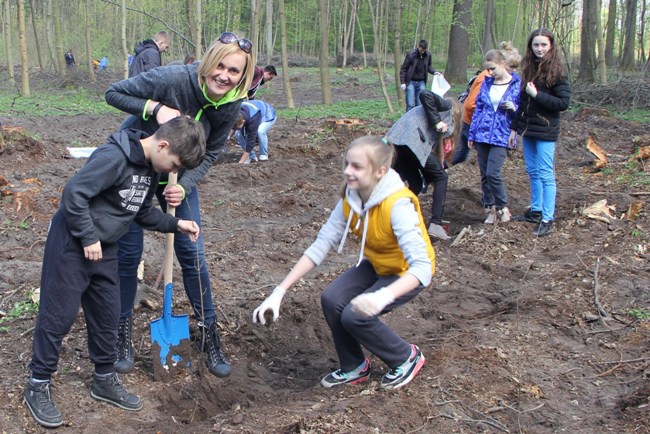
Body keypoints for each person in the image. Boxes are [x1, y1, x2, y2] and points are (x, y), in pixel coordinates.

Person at [23, 116, 205, 429]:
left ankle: (104, 379)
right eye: (174, 164)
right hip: (72, 243)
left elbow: (142, 211)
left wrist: (176, 224)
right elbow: (74, 194)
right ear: (162, 145)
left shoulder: (150, 168)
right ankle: (38, 383)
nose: (172, 172)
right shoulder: (113, 157)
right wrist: (88, 236)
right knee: (59, 315)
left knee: (108, 314)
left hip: (105, 247)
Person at [105, 32, 254, 378]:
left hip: (178, 176)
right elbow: (113, 92)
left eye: (234, 71)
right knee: (128, 255)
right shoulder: (173, 78)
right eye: (220, 65)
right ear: (208, 62)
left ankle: (208, 332)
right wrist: (154, 108)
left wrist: (183, 188)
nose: (225, 75)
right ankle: (121, 333)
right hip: (135, 169)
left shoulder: (231, 103)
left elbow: (213, 151)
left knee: (193, 254)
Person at [253, 136, 435, 391]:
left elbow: (422, 268)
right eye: (347, 164)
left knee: (354, 315)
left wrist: (383, 297)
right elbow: (321, 245)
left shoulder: (398, 204)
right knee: (331, 298)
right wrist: (279, 291)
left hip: (405, 272)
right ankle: (354, 366)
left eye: (357, 167)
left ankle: (406, 356)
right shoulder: (351, 198)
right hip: (376, 264)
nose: (348, 171)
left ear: (380, 171)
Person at [509, 29, 571, 237]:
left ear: (551, 46)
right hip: (529, 129)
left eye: (544, 45)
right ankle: (535, 210)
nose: (540, 49)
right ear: (531, 47)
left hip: (546, 129)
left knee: (546, 174)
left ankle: (547, 217)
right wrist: (515, 129)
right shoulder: (528, 68)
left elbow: (563, 103)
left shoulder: (558, 72)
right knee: (533, 171)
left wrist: (537, 95)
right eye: (536, 45)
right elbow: (523, 103)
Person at [386, 90, 462, 240]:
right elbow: (424, 94)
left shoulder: (435, 114)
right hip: (411, 139)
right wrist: (437, 121)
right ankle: (435, 224)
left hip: (400, 140)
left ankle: (392, 215)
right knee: (441, 177)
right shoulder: (446, 107)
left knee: (415, 183)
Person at [468, 47, 521, 224]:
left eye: (492, 68)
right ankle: (490, 209)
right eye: (487, 69)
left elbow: (523, 111)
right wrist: (472, 134)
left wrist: (514, 109)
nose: (490, 72)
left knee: (493, 172)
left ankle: (502, 207)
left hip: (502, 134)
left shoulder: (516, 84)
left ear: (502, 64)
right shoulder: (487, 83)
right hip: (482, 134)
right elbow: (479, 109)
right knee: (484, 174)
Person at [452, 42, 522, 166]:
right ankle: (439, 172)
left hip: (492, 132)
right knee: (461, 154)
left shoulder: (513, 83)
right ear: (503, 64)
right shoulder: (487, 79)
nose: (514, 71)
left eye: (516, 67)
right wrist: (484, 119)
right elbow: (473, 104)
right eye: (511, 67)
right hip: (471, 122)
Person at [399, 39, 439, 112]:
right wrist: (402, 82)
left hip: (421, 82)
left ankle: (418, 121)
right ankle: (409, 121)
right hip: (410, 82)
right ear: (418, 46)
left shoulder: (428, 55)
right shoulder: (411, 54)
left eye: (424, 50)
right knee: (410, 104)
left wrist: (434, 72)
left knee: (420, 104)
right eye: (421, 50)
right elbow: (404, 68)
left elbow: (429, 66)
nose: (422, 52)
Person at [235, 100, 277, 164]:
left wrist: (240, 162)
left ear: (243, 121)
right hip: (251, 114)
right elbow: (232, 128)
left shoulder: (253, 121)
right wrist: (228, 138)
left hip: (267, 114)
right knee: (237, 133)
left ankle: (263, 156)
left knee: (260, 131)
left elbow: (251, 141)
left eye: (238, 126)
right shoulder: (233, 114)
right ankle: (252, 157)